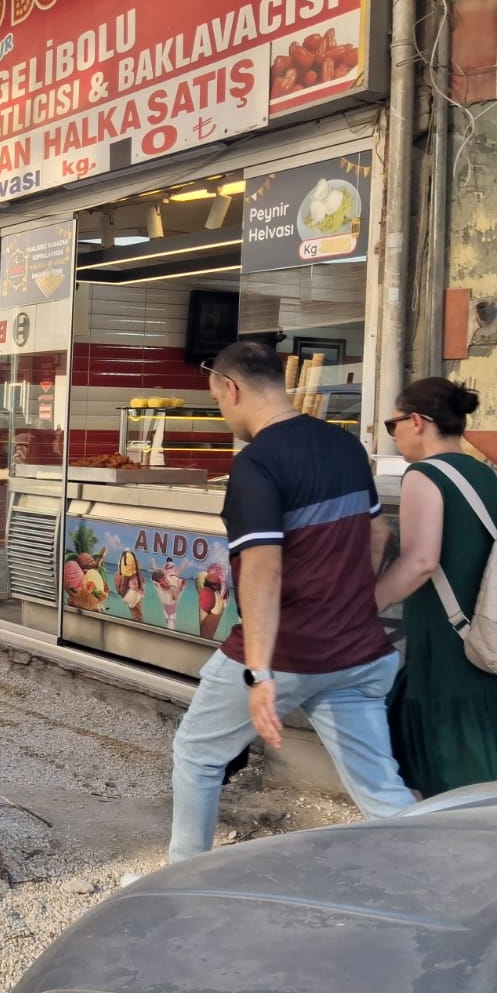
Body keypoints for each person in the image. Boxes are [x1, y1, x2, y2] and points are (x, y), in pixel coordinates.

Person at [168, 341, 413, 864]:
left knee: (199, 755)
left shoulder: (257, 463)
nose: (222, 412)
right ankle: (438, 881)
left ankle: (181, 883)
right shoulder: (346, 447)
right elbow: (378, 532)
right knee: (381, 792)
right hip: (360, 652)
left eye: (217, 400)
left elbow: (262, 567)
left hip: (289, 652)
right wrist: (349, 603)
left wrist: (259, 672)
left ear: (230, 389)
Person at [372, 378, 497, 797]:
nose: (394, 436)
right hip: (491, 638)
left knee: (449, 769)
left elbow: (421, 562)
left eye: (393, 426)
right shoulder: (490, 477)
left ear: (416, 421)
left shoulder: (424, 475)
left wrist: (365, 603)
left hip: (447, 639)